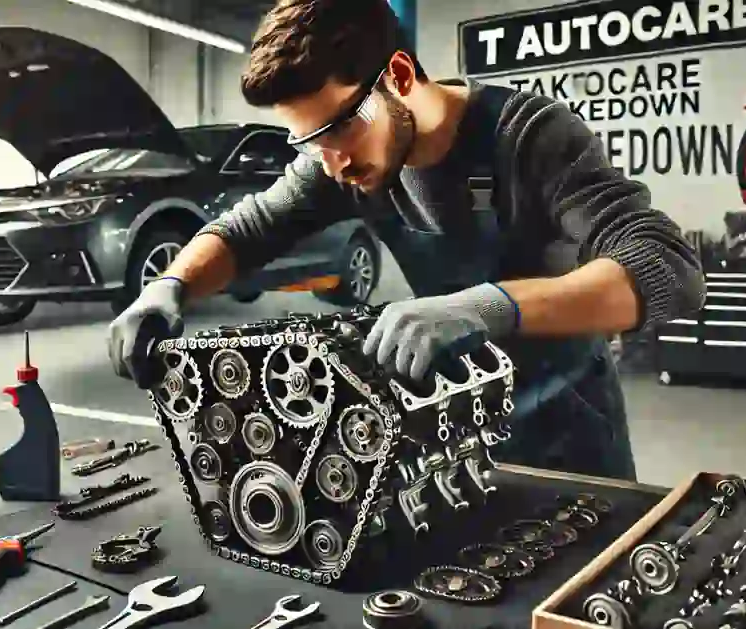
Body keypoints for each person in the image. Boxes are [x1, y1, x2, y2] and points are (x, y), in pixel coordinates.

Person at [107, 0, 705, 481]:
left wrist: (482, 307)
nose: (331, 160)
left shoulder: (532, 137)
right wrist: (170, 285)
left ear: (398, 75)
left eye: (339, 127)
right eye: (309, 141)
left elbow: (667, 269)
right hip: (448, 430)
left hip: (565, 429)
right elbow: (247, 229)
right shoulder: (338, 160)